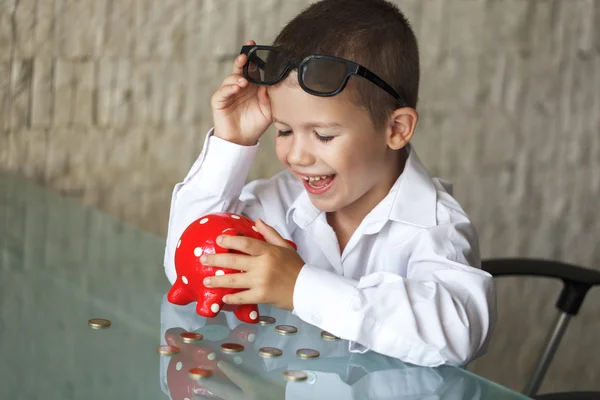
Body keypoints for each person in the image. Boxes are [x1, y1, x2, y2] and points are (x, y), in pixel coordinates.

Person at [163, 0, 496, 367]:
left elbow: (459, 333)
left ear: (396, 129)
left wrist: (299, 286)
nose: (298, 157)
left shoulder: (436, 229)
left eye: (323, 135)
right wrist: (233, 143)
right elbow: (188, 266)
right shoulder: (277, 201)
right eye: (284, 130)